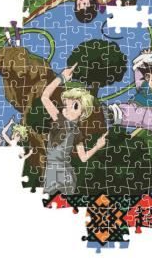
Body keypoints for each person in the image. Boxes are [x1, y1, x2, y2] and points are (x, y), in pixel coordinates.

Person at [40, 65, 107, 195]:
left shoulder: (63, 123)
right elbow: (45, 97)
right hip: (55, 174)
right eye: (66, 104)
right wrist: (62, 77)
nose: (68, 109)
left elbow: (45, 97)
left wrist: (61, 77)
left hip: (61, 176)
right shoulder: (61, 121)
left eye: (75, 106)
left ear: (83, 114)